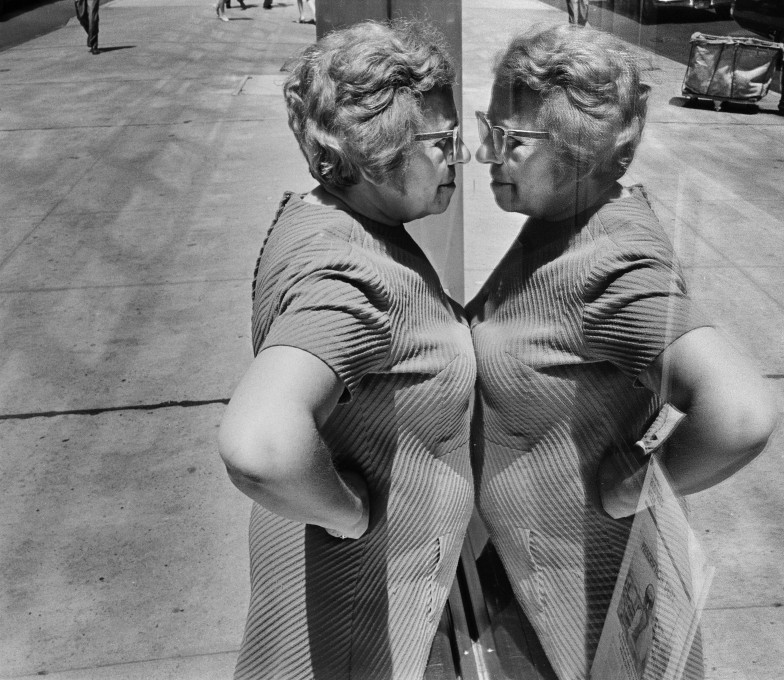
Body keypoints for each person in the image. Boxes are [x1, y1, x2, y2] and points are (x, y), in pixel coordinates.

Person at [469, 24, 778, 680]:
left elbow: (741, 413)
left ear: (577, 154)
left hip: (588, 609)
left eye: (508, 139)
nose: (483, 152)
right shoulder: (560, 224)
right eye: (486, 129)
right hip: (534, 583)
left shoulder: (611, 263)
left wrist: (631, 486)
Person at [217, 20, 474, 680]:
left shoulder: (319, 215)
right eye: (442, 142)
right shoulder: (351, 275)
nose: (461, 156)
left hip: (328, 590)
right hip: (356, 618)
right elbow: (261, 447)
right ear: (377, 151)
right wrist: (352, 515)